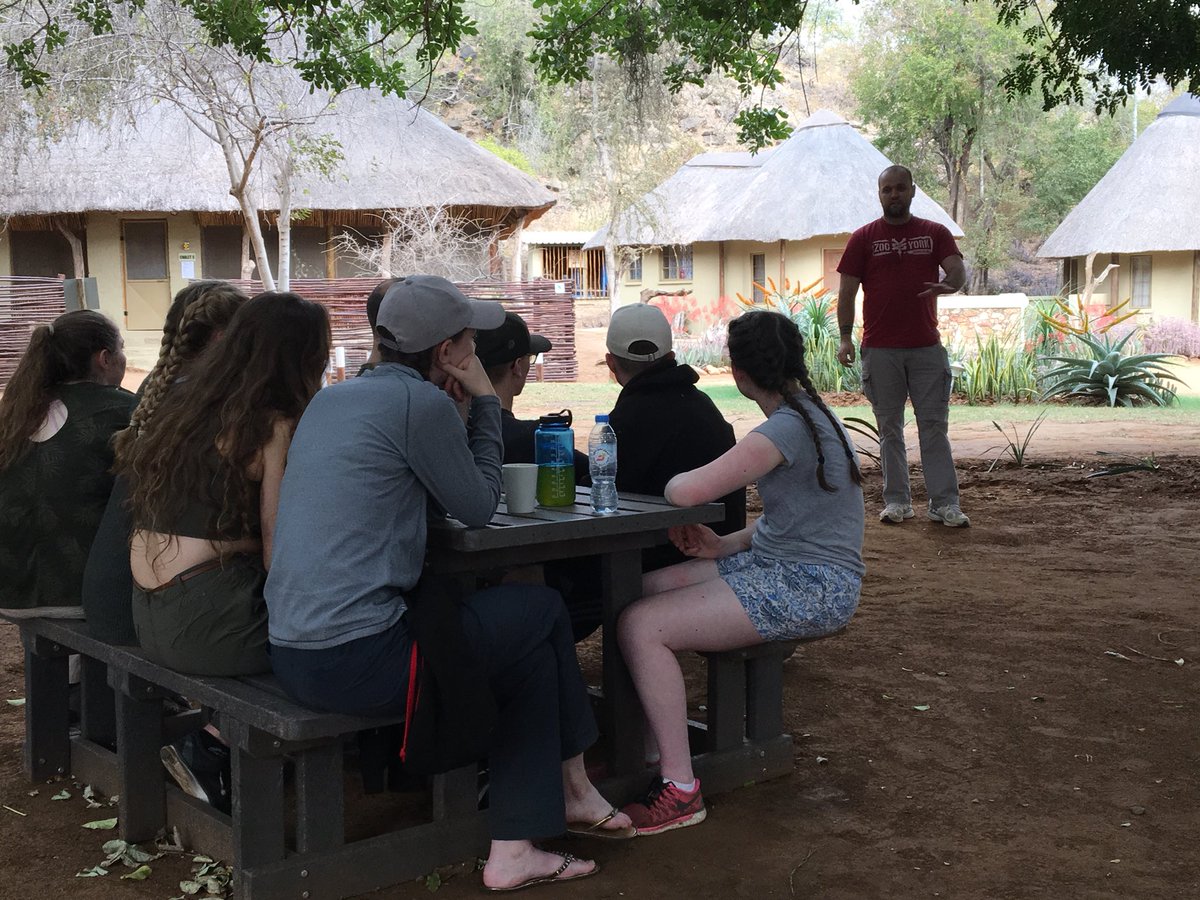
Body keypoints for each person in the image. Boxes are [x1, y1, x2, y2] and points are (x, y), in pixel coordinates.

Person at [264, 275, 631, 892]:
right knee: (540, 611)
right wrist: (486, 399)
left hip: (293, 649)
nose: (472, 351)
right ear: (444, 353)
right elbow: (480, 504)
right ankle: (571, 788)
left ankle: (523, 839)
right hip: (359, 658)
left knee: (525, 654)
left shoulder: (333, 399)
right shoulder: (420, 405)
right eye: (467, 341)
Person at [617, 309, 864, 835]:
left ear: (740, 372)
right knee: (641, 590)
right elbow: (791, 518)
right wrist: (723, 544)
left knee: (642, 626)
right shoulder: (812, 415)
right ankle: (647, 749)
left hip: (810, 586)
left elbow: (683, 492)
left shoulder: (782, 431)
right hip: (789, 567)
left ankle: (679, 788)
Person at [117, 291, 330, 676]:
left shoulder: (182, 403)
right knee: (349, 641)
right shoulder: (275, 424)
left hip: (148, 617)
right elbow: (278, 552)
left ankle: (213, 735)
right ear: (306, 357)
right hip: (213, 627)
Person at [84, 280, 247, 644]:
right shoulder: (210, 400)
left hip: (115, 591)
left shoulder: (158, 389)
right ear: (222, 338)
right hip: (140, 604)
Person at [836, 164, 970, 527]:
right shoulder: (863, 238)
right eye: (886, 190)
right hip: (879, 350)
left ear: (913, 191)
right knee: (889, 428)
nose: (893, 195)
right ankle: (897, 501)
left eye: (900, 188)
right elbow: (846, 292)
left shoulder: (935, 233)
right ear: (879, 195)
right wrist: (846, 337)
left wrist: (951, 283)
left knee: (933, 427)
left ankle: (945, 504)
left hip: (926, 348)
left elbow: (957, 269)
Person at [0, 310, 134, 616]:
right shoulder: (122, 409)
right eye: (121, 349)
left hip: (10, 590)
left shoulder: (18, 410)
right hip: (82, 593)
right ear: (104, 358)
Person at [605, 302, 745, 570]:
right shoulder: (703, 406)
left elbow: (604, 495)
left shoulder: (629, 417)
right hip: (722, 555)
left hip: (662, 562)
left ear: (611, 362)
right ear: (671, 356)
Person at [476, 310, 588, 482]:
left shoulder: (454, 426)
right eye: (530, 357)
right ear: (517, 366)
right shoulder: (534, 440)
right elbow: (599, 472)